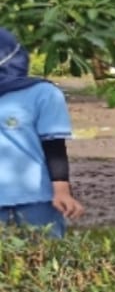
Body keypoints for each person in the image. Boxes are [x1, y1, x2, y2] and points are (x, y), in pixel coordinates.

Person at [0, 28, 85, 237]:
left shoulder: (43, 94)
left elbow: (54, 145)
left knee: (46, 259)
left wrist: (62, 192)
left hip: (36, 198)